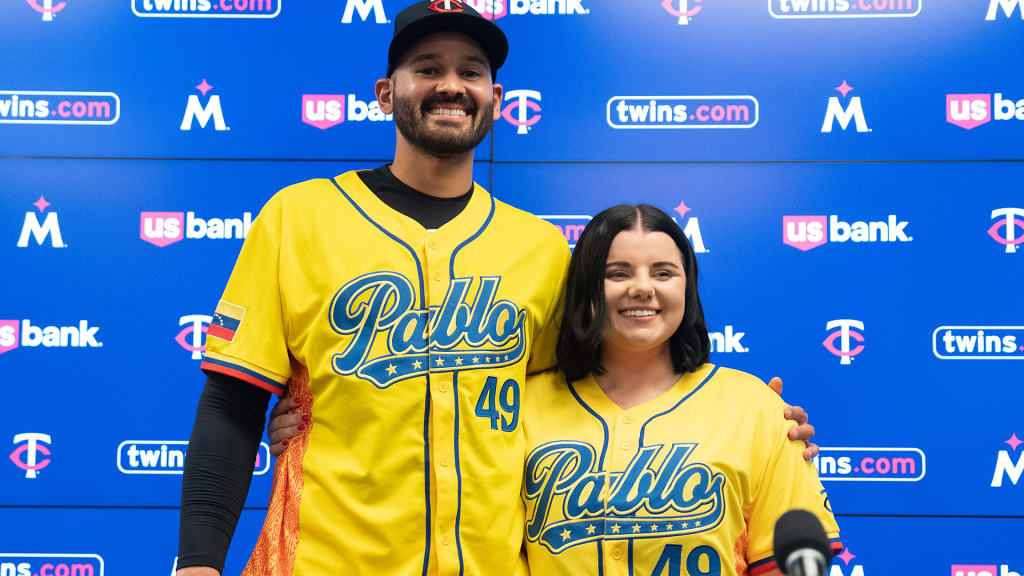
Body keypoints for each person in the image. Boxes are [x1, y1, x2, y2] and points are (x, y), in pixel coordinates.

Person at [179, 2, 818, 575]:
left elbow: (598, 395)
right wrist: (199, 563)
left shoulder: (538, 249)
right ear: (385, 92)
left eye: (472, 71)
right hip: (326, 559)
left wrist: (753, 423)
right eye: (428, 67)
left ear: (494, 96)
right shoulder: (298, 217)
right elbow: (232, 405)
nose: (451, 84)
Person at [268, 205, 840, 575]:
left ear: (689, 288)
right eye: (618, 273)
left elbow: (781, 560)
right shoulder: (521, 404)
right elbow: (438, 469)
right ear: (586, 292)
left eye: (664, 273)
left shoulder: (754, 408)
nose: (643, 289)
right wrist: (311, 426)